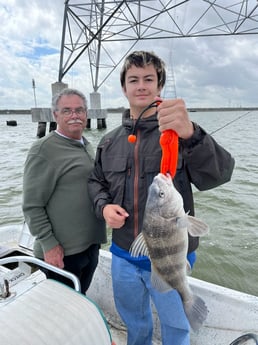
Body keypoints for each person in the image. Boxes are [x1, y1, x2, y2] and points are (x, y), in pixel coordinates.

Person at [88, 51, 235, 345]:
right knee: (134, 321)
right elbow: (96, 182)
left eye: (148, 79)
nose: (141, 85)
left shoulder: (179, 134)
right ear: (124, 88)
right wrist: (103, 208)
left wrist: (192, 134)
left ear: (159, 86)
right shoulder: (109, 141)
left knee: (176, 326)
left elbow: (220, 174)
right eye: (133, 80)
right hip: (124, 253)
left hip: (173, 256)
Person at [22, 88, 106, 294]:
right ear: (55, 115)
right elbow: (32, 206)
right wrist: (49, 245)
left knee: (80, 296)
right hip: (61, 253)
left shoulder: (86, 145)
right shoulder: (43, 150)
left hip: (89, 245)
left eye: (79, 110)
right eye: (67, 110)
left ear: (86, 114)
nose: (74, 115)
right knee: (62, 309)